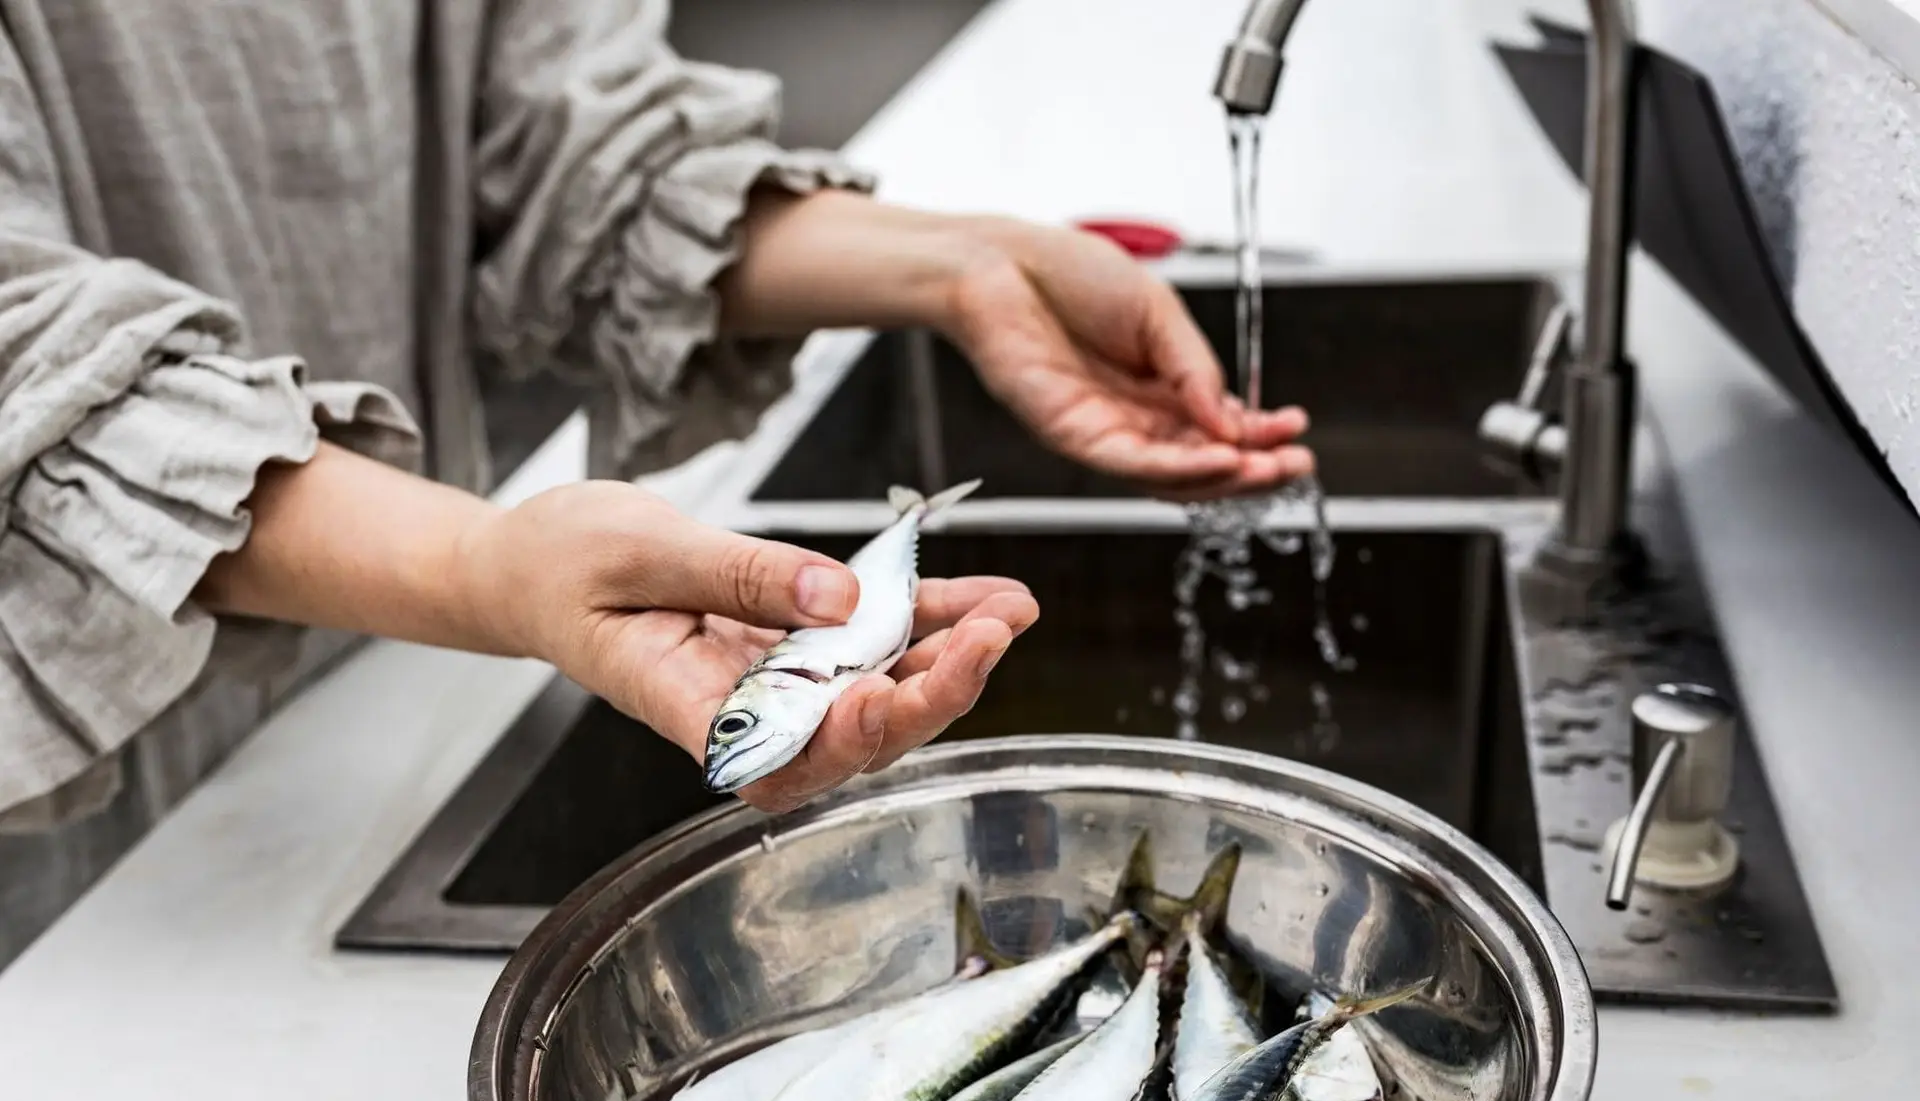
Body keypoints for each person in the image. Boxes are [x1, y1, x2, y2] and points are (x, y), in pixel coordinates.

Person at [0, 1, 1312, 831]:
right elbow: (27, 369)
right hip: (80, 857)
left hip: (377, 714)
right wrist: (484, 569)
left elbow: (575, 149)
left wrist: (964, 266)